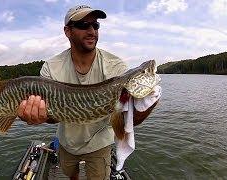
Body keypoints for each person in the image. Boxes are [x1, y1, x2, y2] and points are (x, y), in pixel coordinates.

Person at [17, 5, 157, 180]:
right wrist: (39, 116)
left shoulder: (116, 67)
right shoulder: (51, 67)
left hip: (100, 144)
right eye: (84, 25)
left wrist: (149, 103)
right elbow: (53, 117)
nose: (92, 31)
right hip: (67, 142)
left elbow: (129, 121)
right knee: (70, 174)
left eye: (95, 25)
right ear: (68, 31)